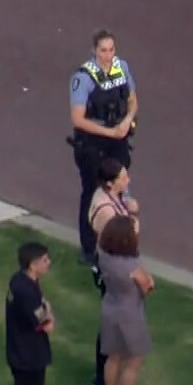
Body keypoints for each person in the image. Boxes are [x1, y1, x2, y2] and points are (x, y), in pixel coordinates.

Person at [69, 29, 138, 264]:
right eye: (103, 50)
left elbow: (132, 99)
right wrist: (110, 131)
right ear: (94, 51)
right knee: (92, 192)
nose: (108, 55)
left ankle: (119, 243)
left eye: (111, 50)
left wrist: (127, 121)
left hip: (118, 139)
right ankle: (88, 249)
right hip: (92, 143)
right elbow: (78, 119)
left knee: (120, 187)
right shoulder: (84, 77)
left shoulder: (122, 67)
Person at [87, 159, 141, 385]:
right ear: (110, 183)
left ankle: (109, 366)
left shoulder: (111, 197)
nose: (128, 180)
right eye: (123, 177)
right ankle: (103, 374)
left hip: (115, 265)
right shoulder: (105, 209)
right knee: (114, 321)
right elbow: (124, 239)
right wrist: (134, 221)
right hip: (114, 269)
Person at [97, 215, 155, 385]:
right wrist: (149, 281)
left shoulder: (103, 254)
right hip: (130, 315)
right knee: (132, 363)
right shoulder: (132, 264)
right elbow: (146, 287)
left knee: (113, 359)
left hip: (110, 309)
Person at [5, 242, 55, 385]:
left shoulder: (18, 281)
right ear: (33, 264)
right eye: (45, 260)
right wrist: (49, 309)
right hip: (29, 357)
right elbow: (48, 325)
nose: (48, 263)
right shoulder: (27, 292)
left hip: (17, 351)